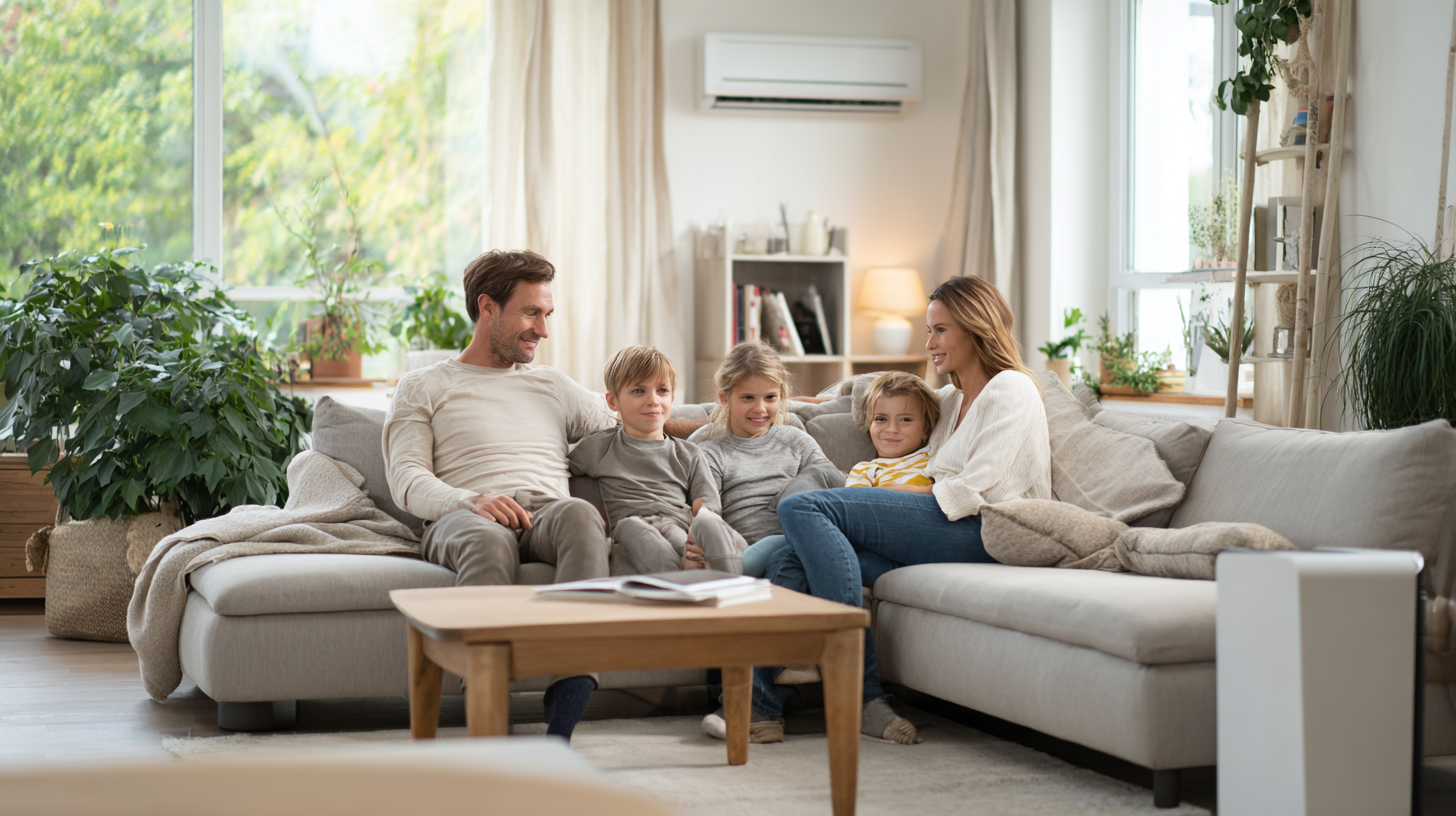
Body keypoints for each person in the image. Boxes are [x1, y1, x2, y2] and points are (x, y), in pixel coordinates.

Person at [382, 249, 697, 739]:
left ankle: (562, 723)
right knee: (489, 540)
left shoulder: (552, 385)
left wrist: (759, 413)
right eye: (532, 313)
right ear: (488, 307)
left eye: (547, 315)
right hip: (464, 517)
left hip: (546, 513)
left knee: (579, 514)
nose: (543, 330)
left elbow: (641, 421)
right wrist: (470, 500)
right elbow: (406, 478)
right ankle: (487, 722)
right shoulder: (424, 385)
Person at [726, 275, 1052, 746]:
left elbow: (979, 488)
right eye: (929, 331)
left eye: (940, 330)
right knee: (790, 558)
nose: (930, 343)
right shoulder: (950, 398)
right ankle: (759, 709)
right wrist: (785, 401)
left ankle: (860, 694)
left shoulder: (1011, 389)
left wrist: (873, 508)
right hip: (937, 528)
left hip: (983, 530)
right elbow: (868, 392)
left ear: (975, 327)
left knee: (803, 509)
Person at [688, 341, 840, 743]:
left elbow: (834, 484)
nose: (761, 409)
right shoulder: (710, 447)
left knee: (789, 554)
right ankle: (767, 698)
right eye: (748, 398)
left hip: (803, 541)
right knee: (780, 565)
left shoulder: (796, 441)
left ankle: (745, 710)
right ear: (724, 398)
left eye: (771, 397)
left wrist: (798, 490)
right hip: (746, 551)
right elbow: (710, 512)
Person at [741, 370, 943, 578]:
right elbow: (857, 511)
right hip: (873, 551)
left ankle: (741, 572)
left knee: (792, 547)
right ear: (869, 424)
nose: (891, 429)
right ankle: (746, 588)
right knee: (787, 556)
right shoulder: (864, 471)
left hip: (917, 544)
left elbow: (946, 494)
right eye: (881, 419)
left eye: (905, 420)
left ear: (926, 429)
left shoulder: (934, 458)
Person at [567, 345, 746, 574]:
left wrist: (695, 540)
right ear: (613, 402)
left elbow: (705, 503)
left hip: (678, 524)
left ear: (672, 398)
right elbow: (556, 470)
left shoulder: (688, 453)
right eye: (638, 391)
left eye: (662, 390)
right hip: (631, 526)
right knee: (632, 527)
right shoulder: (598, 448)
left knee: (710, 525)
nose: (653, 400)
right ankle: (680, 578)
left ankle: (715, 574)